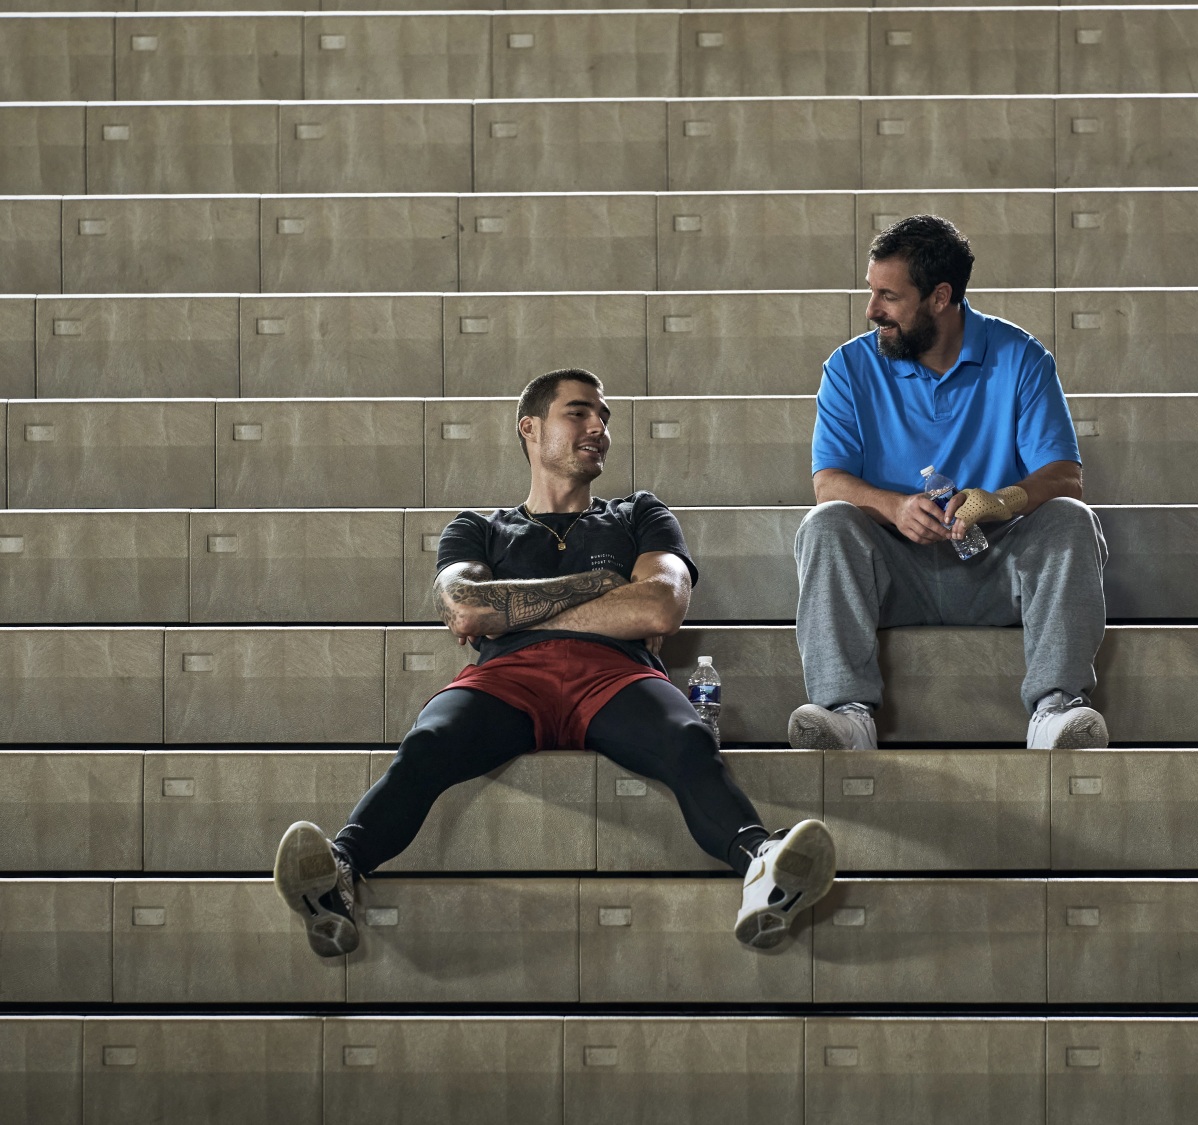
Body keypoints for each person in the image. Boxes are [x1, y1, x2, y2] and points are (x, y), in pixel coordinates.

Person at [274, 368, 837, 957]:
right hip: (505, 681)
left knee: (686, 739)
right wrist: (599, 585)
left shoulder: (639, 515)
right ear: (531, 428)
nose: (600, 427)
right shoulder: (477, 529)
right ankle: (338, 874)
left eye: (604, 417)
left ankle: (763, 867)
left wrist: (515, 610)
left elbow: (660, 607)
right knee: (429, 744)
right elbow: (465, 609)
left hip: (615, 676)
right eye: (579, 412)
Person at [788, 215, 1111, 752]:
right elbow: (829, 483)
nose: (872, 311)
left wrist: (1003, 500)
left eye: (888, 297)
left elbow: (1065, 476)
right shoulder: (848, 368)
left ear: (940, 297)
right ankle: (846, 713)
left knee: (1071, 518)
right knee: (827, 523)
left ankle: (1056, 710)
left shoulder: (1022, 358)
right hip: (893, 575)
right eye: (872, 293)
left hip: (995, 569)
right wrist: (893, 507)